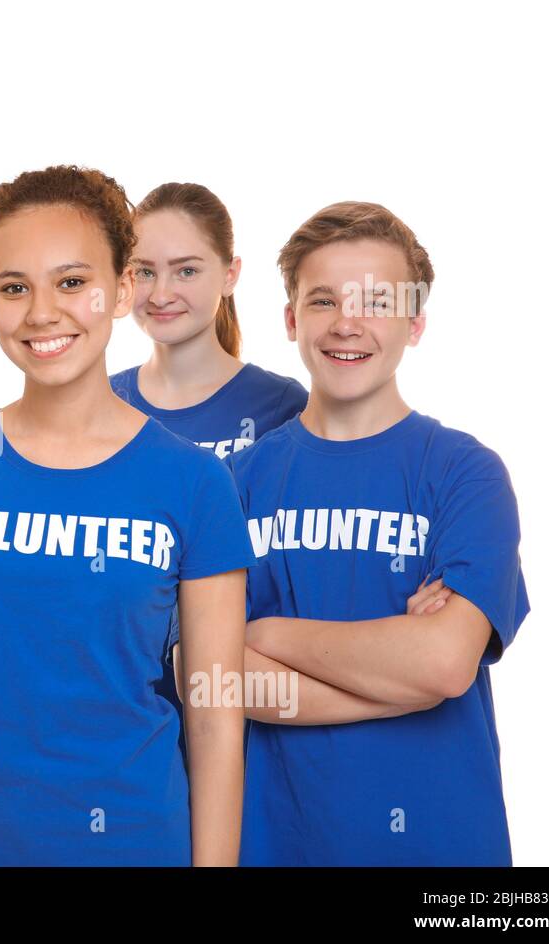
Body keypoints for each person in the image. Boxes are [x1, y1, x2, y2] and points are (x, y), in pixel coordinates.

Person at [0, 166, 252, 866]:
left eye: (72, 282)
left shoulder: (195, 481)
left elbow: (216, 715)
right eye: (14, 288)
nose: (41, 312)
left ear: (124, 289)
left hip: (133, 841)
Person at [231, 201, 530, 865]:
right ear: (290, 319)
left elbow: (445, 663)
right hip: (277, 846)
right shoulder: (231, 484)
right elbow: (216, 680)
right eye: (323, 299)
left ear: (414, 323)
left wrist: (266, 634)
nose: (346, 323)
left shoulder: (465, 474)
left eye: (375, 301)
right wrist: (400, 682)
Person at [109, 183, 308, 722]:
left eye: (187, 270)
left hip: (248, 699)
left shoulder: (284, 408)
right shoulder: (100, 403)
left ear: (231, 274)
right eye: (144, 270)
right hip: (125, 702)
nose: (161, 291)